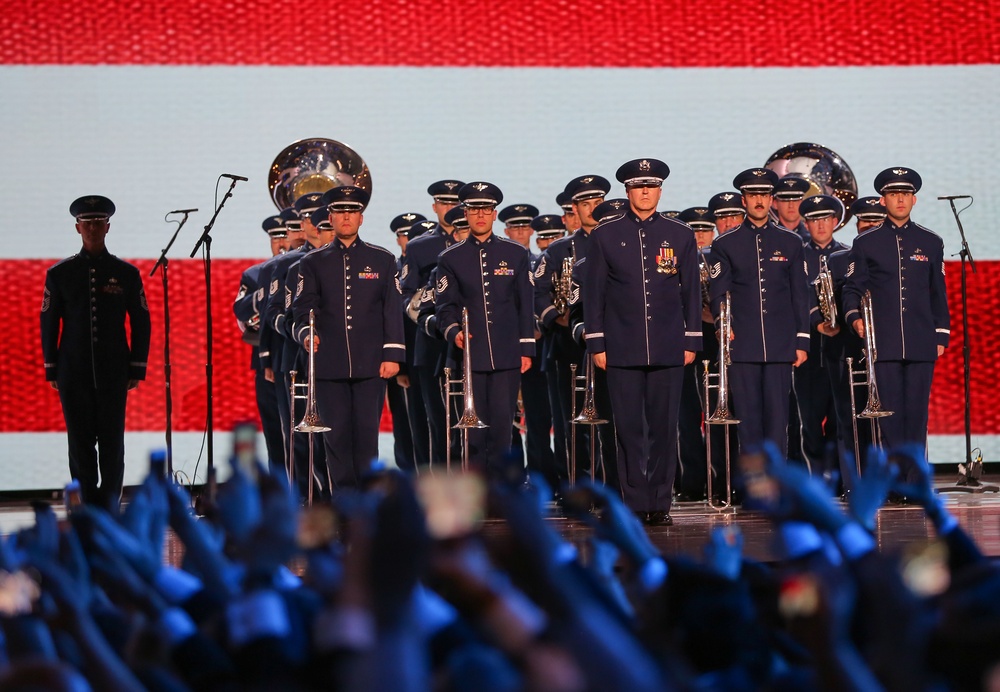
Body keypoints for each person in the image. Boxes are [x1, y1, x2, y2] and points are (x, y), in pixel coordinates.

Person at [583, 159, 700, 526]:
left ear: (660, 190)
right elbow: (594, 294)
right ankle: (633, 502)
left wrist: (692, 339)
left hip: (668, 346)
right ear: (627, 191)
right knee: (629, 429)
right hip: (621, 347)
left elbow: (691, 293)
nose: (645, 192)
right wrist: (597, 343)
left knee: (665, 429)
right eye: (638, 186)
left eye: (651, 186)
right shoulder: (604, 235)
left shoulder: (680, 234)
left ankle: (659, 503)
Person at [41, 195, 151, 510]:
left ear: (108, 227)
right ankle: (87, 506)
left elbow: (141, 320)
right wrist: (51, 367)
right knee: (79, 443)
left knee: (112, 442)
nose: (92, 228)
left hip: (113, 369)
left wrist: (136, 366)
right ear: (77, 228)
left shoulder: (126, 273)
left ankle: (110, 503)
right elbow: (48, 321)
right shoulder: (60, 273)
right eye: (87, 223)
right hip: (72, 369)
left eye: (98, 222)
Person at [293, 186, 405, 489]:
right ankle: (344, 504)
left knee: (367, 436)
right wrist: (306, 334)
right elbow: (302, 310)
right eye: (340, 211)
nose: (346, 217)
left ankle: (368, 503)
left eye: (352, 211)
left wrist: (393, 354)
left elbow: (392, 310)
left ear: (361, 218)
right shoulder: (312, 262)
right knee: (336, 436)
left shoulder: (382, 259)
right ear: (330, 217)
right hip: (329, 363)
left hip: (371, 364)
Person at [843, 167, 950, 477]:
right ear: (883, 200)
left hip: (921, 339)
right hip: (884, 341)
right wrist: (854, 319)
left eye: (905, 194)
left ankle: (915, 478)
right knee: (888, 414)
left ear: (914, 200)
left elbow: (937, 292)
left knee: (916, 414)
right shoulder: (867, 242)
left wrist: (940, 334)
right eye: (893, 194)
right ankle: (893, 480)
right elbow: (852, 288)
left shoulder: (930, 241)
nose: (900, 200)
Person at [708, 168, 811, 457]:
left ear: (771, 199)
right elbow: (719, 293)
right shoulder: (724, 244)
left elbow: (799, 295)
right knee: (749, 423)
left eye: (764, 195)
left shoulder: (791, 242)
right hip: (742, 343)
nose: (759, 201)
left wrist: (802, 341)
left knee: (779, 422)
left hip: (781, 345)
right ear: (744, 200)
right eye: (753, 195)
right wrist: (722, 324)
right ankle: (755, 488)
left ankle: (777, 490)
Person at [436, 182, 535, 479]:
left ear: (494, 215)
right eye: (474, 209)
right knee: (473, 432)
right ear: (465, 213)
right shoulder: (450, 258)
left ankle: (502, 493)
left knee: (504, 429)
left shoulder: (516, 254)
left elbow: (525, 305)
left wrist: (526, 348)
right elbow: (444, 307)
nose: (480, 214)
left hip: (507, 354)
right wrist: (454, 331)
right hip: (470, 357)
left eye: (486, 209)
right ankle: (476, 494)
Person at [400, 180, 465, 468]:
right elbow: (404, 296)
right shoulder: (419, 248)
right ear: (435, 207)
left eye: (455, 203)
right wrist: (428, 321)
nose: (450, 208)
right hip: (432, 343)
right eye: (444, 203)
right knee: (438, 422)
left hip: (473, 343)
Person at [796, 194, 849, 481]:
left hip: (839, 347)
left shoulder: (847, 254)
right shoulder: (797, 254)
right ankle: (814, 479)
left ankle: (840, 479)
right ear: (806, 223)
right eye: (814, 220)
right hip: (808, 349)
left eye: (825, 219)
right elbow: (793, 298)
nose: (820, 225)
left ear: (835, 222)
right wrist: (815, 320)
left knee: (841, 419)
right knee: (809, 422)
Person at [233, 213, 289, 473]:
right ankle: (280, 492)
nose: (280, 243)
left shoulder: (312, 267)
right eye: (274, 238)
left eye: (284, 235)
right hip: (267, 362)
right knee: (274, 434)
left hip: (303, 357)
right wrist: (268, 290)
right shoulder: (256, 275)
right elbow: (243, 316)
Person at [385, 213, 426, 471]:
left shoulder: (432, 270)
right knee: (405, 420)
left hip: (430, 356)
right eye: (405, 236)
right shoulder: (392, 271)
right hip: (404, 358)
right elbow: (393, 322)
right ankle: (409, 472)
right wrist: (400, 366)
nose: (409, 241)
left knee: (430, 420)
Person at [772, 175, 811, 241]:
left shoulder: (813, 241)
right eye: (785, 200)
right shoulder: (766, 239)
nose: (791, 205)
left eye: (795, 200)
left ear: (802, 203)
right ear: (775, 204)